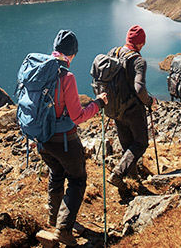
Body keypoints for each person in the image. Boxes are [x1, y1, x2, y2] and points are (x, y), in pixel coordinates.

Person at [39, 29, 107, 246]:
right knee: (77, 180)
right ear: (73, 54)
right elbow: (77, 116)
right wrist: (98, 104)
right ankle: (64, 229)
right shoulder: (66, 77)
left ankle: (54, 216)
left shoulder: (38, 69)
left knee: (56, 172)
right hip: (63, 140)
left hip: (42, 139)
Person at [106, 25, 157, 190]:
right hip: (132, 110)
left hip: (116, 109)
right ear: (141, 42)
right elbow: (139, 89)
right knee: (141, 143)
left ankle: (133, 180)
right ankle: (118, 174)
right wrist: (150, 102)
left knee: (128, 145)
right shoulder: (138, 60)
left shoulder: (113, 52)